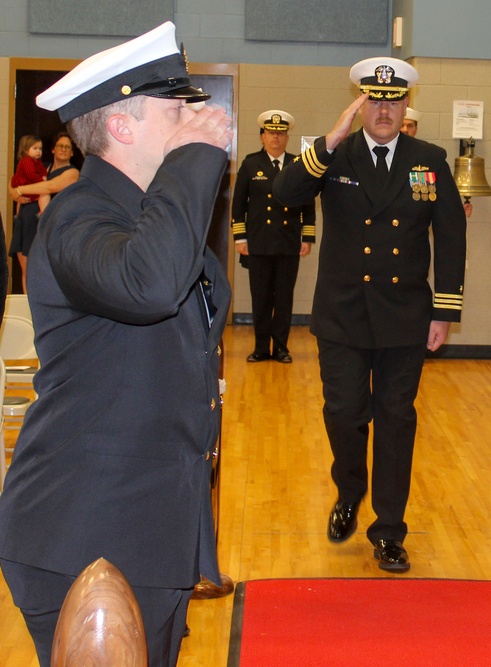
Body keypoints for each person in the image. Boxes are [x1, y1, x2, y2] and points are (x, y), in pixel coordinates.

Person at [0, 21, 233, 667]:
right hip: (86, 526)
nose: (196, 118)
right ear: (124, 127)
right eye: (175, 108)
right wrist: (194, 160)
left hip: (146, 522)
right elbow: (151, 287)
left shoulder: (147, 216)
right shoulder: (78, 216)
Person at [274, 57, 466, 573]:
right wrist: (329, 139)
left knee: (397, 420)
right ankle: (349, 490)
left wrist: (445, 309)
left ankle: (388, 530)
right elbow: (285, 194)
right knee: (343, 413)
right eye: (374, 101)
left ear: (407, 106)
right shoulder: (335, 155)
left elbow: (450, 235)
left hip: (405, 315)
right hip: (342, 314)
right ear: (360, 105)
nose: (384, 111)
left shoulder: (429, 159)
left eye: (393, 101)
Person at [232, 109, 316, 363]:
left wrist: (307, 237)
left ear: (287, 137)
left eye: (281, 133)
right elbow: (238, 205)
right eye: (271, 133)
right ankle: (260, 347)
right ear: (262, 136)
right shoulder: (250, 164)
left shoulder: (297, 165)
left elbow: (308, 203)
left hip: (288, 242)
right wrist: (240, 237)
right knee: (260, 297)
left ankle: (281, 348)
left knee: (284, 297)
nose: (276, 138)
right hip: (258, 242)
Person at [8, 132, 82, 290]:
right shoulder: (41, 167)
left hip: (48, 226)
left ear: (72, 152)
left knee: (42, 271)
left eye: (67, 147)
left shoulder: (72, 173)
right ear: (53, 149)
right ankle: (29, 309)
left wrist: (20, 190)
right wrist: (15, 193)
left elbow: (50, 186)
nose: (63, 149)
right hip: (26, 220)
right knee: (26, 270)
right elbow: (14, 179)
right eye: (60, 146)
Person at [8, 135, 48, 290]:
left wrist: (43, 178)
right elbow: (31, 176)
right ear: (25, 150)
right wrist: (43, 181)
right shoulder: (26, 161)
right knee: (25, 257)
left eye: (40, 149)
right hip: (24, 190)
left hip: (31, 203)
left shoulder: (37, 163)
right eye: (35, 149)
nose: (38, 152)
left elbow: (42, 172)